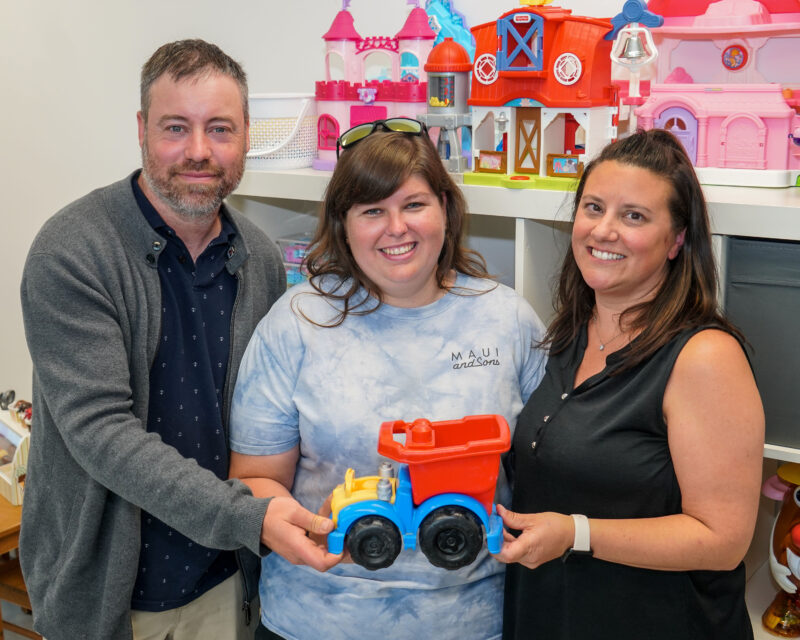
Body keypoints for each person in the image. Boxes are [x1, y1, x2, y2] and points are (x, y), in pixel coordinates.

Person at [19, 39, 337, 640]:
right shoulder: (74, 250)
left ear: (246, 136)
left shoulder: (259, 258)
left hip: (228, 582)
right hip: (111, 595)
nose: (198, 152)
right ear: (141, 130)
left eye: (219, 128)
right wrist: (250, 516)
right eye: (175, 127)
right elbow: (101, 433)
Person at [228, 119, 548, 640]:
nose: (396, 228)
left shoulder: (506, 319)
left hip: (471, 624)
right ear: (343, 223)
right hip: (315, 622)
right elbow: (255, 476)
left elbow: (545, 473)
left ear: (445, 207)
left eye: (414, 205)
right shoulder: (298, 322)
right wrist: (291, 525)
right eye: (373, 210)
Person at [497, 129, 765, 640]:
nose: (604, 230)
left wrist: (575, 533)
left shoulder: (704, 357)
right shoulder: (571, 333)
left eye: (634, 216)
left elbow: (721, 539)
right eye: (593, 207)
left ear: (677, 240)